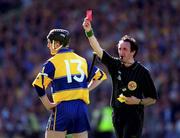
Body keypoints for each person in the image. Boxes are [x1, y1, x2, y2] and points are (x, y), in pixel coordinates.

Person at [83, 18, 158, 138]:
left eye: (125, 49)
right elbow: (98, 50)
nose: (121, 52)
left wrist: (138, 101)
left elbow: (152, 99)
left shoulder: (142, 72)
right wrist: (89, 31)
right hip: (117, 115)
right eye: (119, 49)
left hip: (134, 116)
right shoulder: (115, 65)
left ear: (133, 52)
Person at [32, 28, 107, 138]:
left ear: (57, 43)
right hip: (81, 108)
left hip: (63, 107)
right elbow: (100, 76)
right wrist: (86, 89)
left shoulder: (52, 62)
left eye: (49, 42)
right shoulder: (82, 60)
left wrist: (48, 104)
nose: (48, 45)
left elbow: (39, 85)